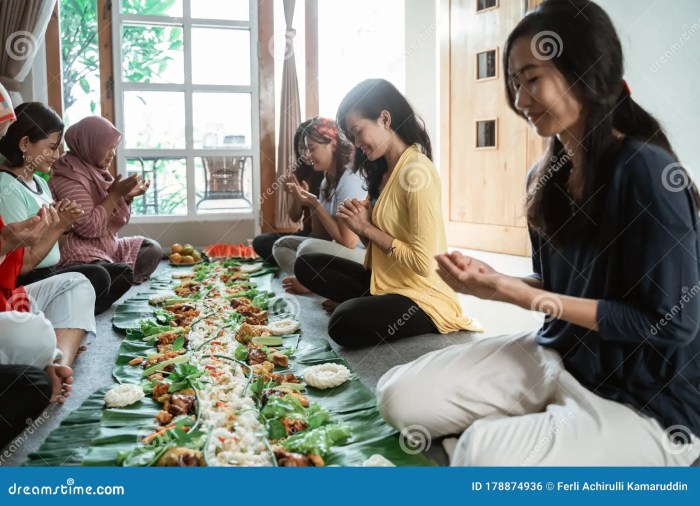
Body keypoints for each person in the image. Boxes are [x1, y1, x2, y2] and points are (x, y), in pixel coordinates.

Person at [376, 0, 700, 466]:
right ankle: (531, 432)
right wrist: (490, 284)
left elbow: (667, 322)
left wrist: (514, 292)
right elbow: (557, 291)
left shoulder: (646, 171)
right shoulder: (542, 177)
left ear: (586, 70)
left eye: (532, 79)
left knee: (481, 454)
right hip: (562, 356)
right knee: (398, 397)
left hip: (645, 398)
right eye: (514, 82)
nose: (520, 100)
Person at [295, 80, 480, 346]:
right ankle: (368, 303)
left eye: (358, 132)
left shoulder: (417, 173)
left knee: (342, 323)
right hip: (383, 281)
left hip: (420, 295)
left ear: (384, 119)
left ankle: (374, 307)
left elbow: (423, 262)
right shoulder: (380, 170)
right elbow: (377, 246)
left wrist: (367, 229)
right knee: (307, 264)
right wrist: (360, 227)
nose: (356, 144)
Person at [0, 103, 133, 314]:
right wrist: (59, 224)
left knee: (122, 273)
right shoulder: (6, 187)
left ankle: (69, 313)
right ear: (25, 143)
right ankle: (67, 316)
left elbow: (57, 247)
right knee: (99, 277)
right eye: (52, 147)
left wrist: (66, 224)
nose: (57, 155)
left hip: (52, 270)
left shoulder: (40, 183)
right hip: (28, 280)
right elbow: (22, 265)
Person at [50, 115, 161, 284]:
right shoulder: (68, 176)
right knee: (100, 272)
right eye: (108, 148)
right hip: (83, 254)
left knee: (152, 249)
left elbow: (112, 221)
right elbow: (89, 227)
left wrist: (126, 197)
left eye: (114, 147)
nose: (112, 154)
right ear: (90, 145)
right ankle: (112, 280)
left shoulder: (96, 170)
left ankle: (116, 278)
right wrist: (115, 195)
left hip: (109, 247)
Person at [271, 117, 366, 294]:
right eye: (305, 149)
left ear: (334, 144)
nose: (306, 155)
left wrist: (314, 203)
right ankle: (312, 280)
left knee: (307, 249)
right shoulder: (326, 182)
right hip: (339, 252)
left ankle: (313, 282)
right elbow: (319, 235)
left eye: (312, 148)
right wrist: (308, 200)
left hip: (361, 257)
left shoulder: (350, 178)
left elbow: (349, 241)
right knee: (281, 245)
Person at [252, 120, 324, 265]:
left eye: (309, 147)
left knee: (298, 250)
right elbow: (294, 217)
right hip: (307, 232)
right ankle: (300, 262)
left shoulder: (327, 171)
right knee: (261, 241)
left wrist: (310, 200)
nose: (305, 153)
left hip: (323, 236)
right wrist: (297, 196)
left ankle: (301, 263)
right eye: (301, 148)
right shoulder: (298, 173)